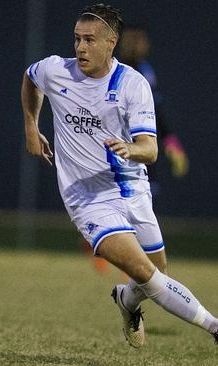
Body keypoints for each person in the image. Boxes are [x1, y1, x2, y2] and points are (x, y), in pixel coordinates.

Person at [20, 4, 218, 364]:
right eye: (77, 39)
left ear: (111, 43)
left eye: (90, 40)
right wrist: (32, 126)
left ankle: (125, 301)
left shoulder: (133, 85)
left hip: (132, 191)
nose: (80, 48)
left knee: (155, 275)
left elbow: (151, 149)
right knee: (146, 273)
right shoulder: (56, 70)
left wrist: (130, 148)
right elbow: (31, 78)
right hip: (87, 199)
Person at [79, 24, 190, 274]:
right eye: (132, 40)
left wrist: (172, 143)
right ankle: (97, 245)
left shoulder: (145, 73)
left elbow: (157, 112)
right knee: (103, 202)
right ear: (117, 42)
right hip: (109, 149)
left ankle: (130, 258)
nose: (137, 45)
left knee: (139, 203)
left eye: (141, 40)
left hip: (138, 149)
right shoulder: (107, 71)